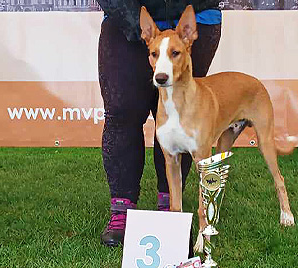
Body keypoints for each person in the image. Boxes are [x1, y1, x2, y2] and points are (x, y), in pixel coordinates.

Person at [95, 0, 222, 247]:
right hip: (128, 15)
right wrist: (135, 23)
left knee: (183, 116)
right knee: (122, 112)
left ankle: (171, 212)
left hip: (196, 13)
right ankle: (122, 210)